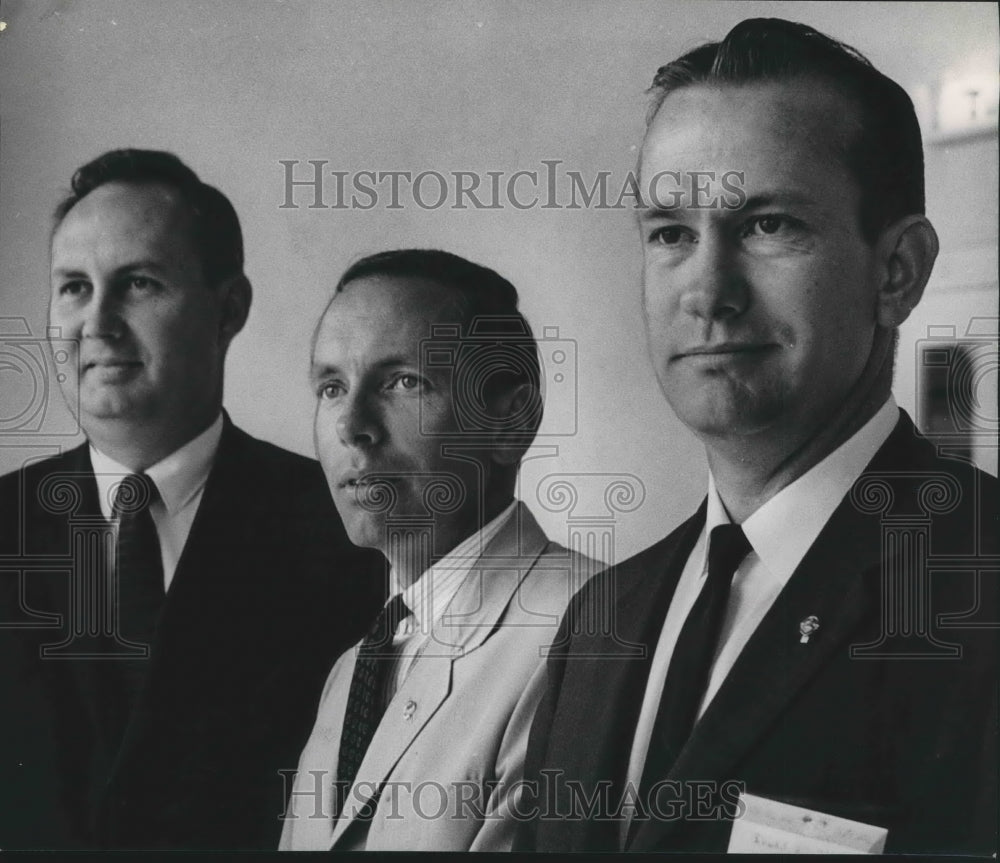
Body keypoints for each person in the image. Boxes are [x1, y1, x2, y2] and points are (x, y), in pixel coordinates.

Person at [517, 18, 997, 855]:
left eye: (768, 225)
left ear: (898, 272)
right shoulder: (601, 619)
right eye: (671, 233)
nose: (708, 292)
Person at [0, 149, 383, 849]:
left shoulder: (344, 532)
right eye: (75, 288)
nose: (99, 322)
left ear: (229, 308)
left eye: (139, 283)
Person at [278, 249, 597, 851]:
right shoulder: (353, 668)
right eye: (331, 387)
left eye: (403, 382)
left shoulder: (591, 632)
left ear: (511, 419)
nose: (352, 426)